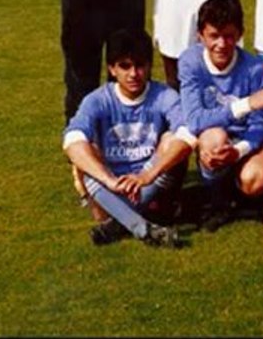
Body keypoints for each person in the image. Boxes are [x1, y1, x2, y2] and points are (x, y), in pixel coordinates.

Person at [63, 28, 195, 247]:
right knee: (85, 152)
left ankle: (121, 223)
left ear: (149, 66)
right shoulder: (97, 100)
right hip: (110, 188)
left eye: (140, 65)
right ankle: (142, 227)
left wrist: (146, 175)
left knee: (172, 139)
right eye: (125, 66)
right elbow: (71, 139)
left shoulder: (164, 95)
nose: (133, 74)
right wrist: (110, 181)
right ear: (112, 69)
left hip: (147, 183)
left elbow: (188, 134)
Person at [178, 0, 263, 231]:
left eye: (228, 36)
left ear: (240, 35)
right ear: (200, 35)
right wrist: (246, 104)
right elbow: (194, 120)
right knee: (214, 139)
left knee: (255, 180)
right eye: (213, 36)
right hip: (213, 136)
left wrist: (238, 151)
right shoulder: (191, 62)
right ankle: (217, 201)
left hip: (243, 141)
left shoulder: (254, 67)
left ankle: (239, 195)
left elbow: (260, 125)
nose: (221, 44)